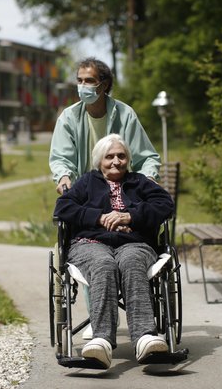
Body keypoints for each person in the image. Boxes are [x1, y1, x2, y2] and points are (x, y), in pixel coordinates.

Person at [53, 134, 174, 369]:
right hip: (91, 243)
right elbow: (63, 206)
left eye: (121, 156)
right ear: (100, 161)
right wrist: (98, 217)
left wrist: (130, 216)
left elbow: (165, 204)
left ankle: (145, 338)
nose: (116, 161)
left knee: (131, 262)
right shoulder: (87, 182)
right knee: (103, 264)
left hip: (134, 243)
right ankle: (101, 341)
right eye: (109, 157)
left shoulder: (140, 182)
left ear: (128, 159)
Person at [49, 57, 161, 195]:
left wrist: (148, 178)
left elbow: (146, 158)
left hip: (122, 194)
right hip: (84, 195)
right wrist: (64, 176)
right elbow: (61, 158)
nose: (83, 85)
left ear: (104, 85)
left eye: (89, 80)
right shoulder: (68, 118)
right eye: (80, 81)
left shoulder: (125, 114)